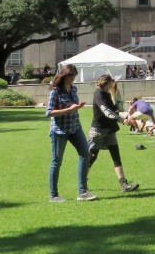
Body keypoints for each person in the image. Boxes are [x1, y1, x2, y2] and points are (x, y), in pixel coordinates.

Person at [45, 64, 97, 202]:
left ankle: (82, 192)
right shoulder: (55, 91)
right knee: (57, 161)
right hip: (59, 130)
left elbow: (73, 105)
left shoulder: (74, 89)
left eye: (73, 77)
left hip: (75, 127)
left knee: (85, 154)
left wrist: (77, 107)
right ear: (64, 76)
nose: (71, 80)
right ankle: (53, 195)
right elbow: (49, 112)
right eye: (69, 77)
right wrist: (68, 110)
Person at [87, 75, 140, 193]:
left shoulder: (107, 94)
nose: (113, 84)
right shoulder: (98, 94)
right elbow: (106, 111)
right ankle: (82, 184)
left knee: (116, 157)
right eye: (112, 82)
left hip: (110, 130)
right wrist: (121, 120)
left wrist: (122, 112)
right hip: (98, 131)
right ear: (108, 82)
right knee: (91, 157)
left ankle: (124, 184)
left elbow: (114, 110)